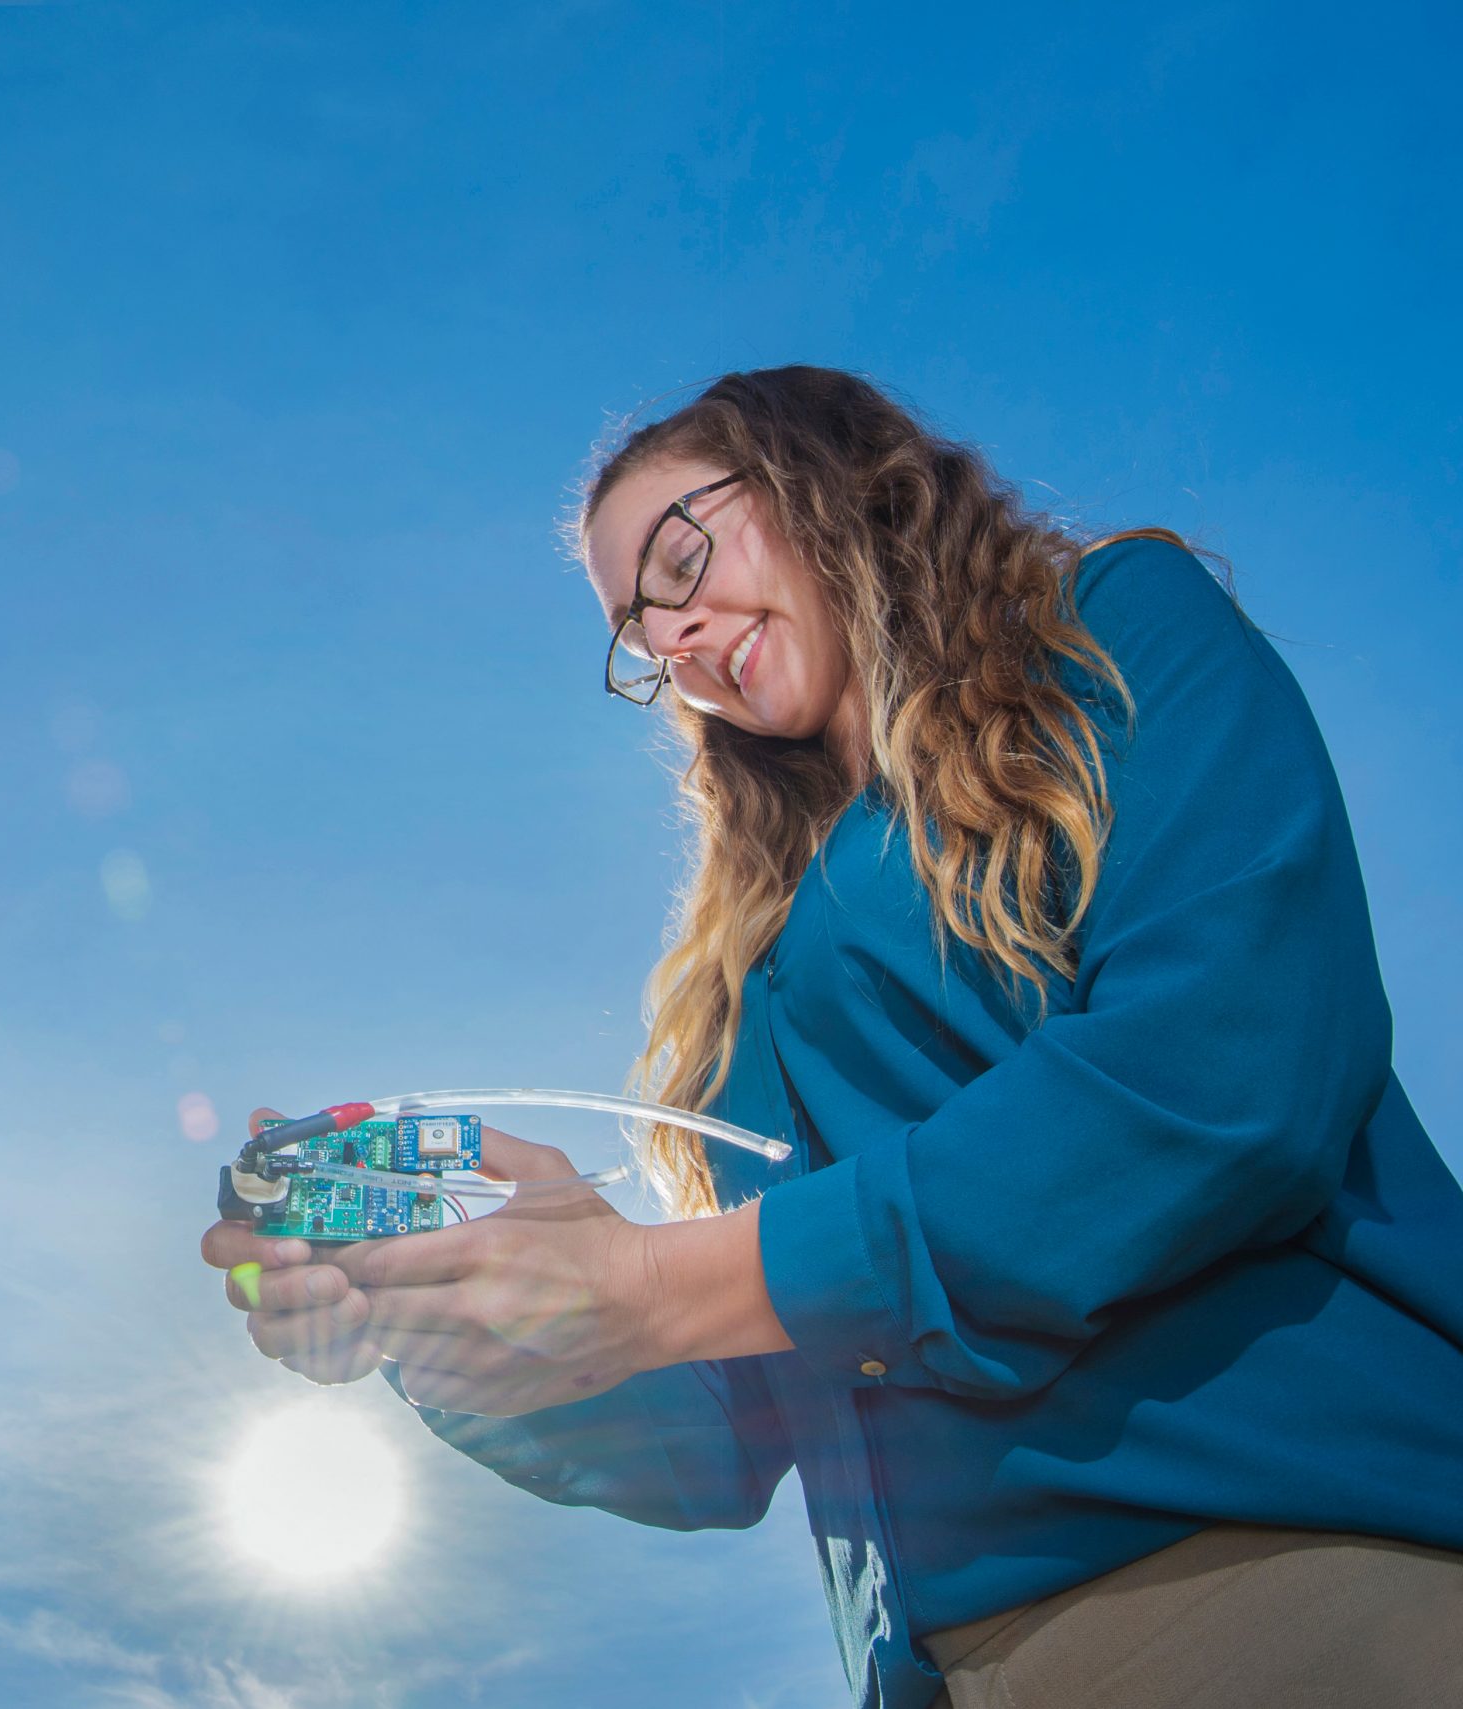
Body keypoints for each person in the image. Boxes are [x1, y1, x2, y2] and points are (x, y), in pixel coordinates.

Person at [203, 367, 1463, 1708]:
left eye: (682, 559)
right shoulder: (755, 979)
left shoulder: (1113, 636)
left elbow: (1218, 1074)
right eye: (641, 632)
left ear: (821, 474)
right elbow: (730, 1429)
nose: (676, 637)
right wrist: (448, 1316)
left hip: (1268, 1573)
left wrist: (658, 1277)